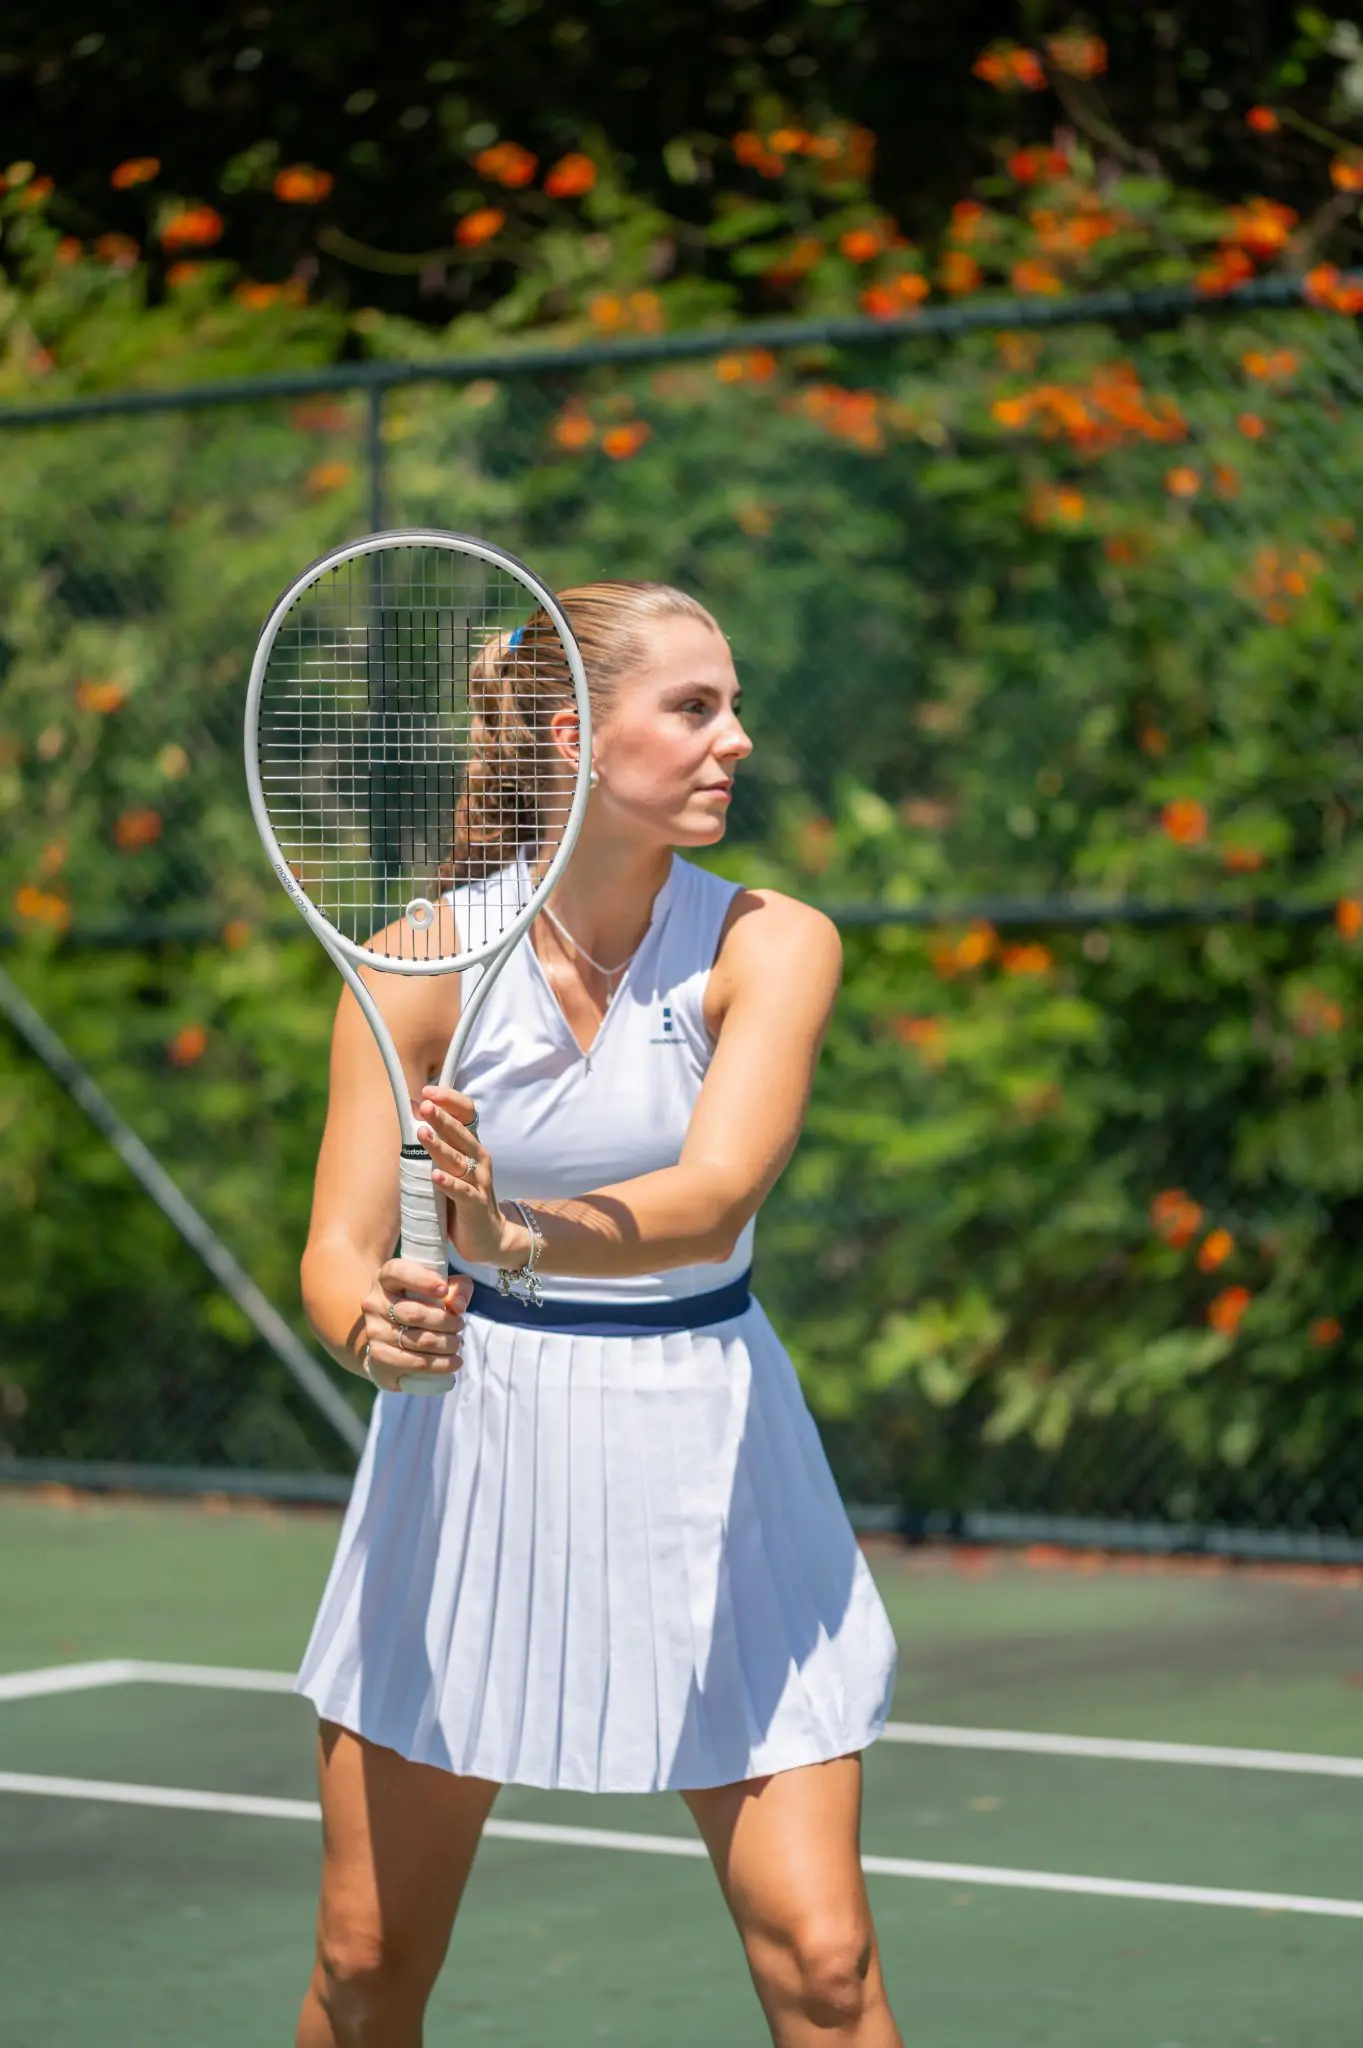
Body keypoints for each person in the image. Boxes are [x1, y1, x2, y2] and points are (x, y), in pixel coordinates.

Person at [294, 581, 901, 2048]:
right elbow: (334, 1249)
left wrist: (517, 1233)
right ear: (574, 735)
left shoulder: (773, 942)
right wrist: (372, 1327)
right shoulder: (417, 965)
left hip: (714, 1452)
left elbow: (714, 1195)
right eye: (694, 708)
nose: (735, 741)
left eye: (732, 705)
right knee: (368, 1964)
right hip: (471, 1472)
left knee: (823, 1964)